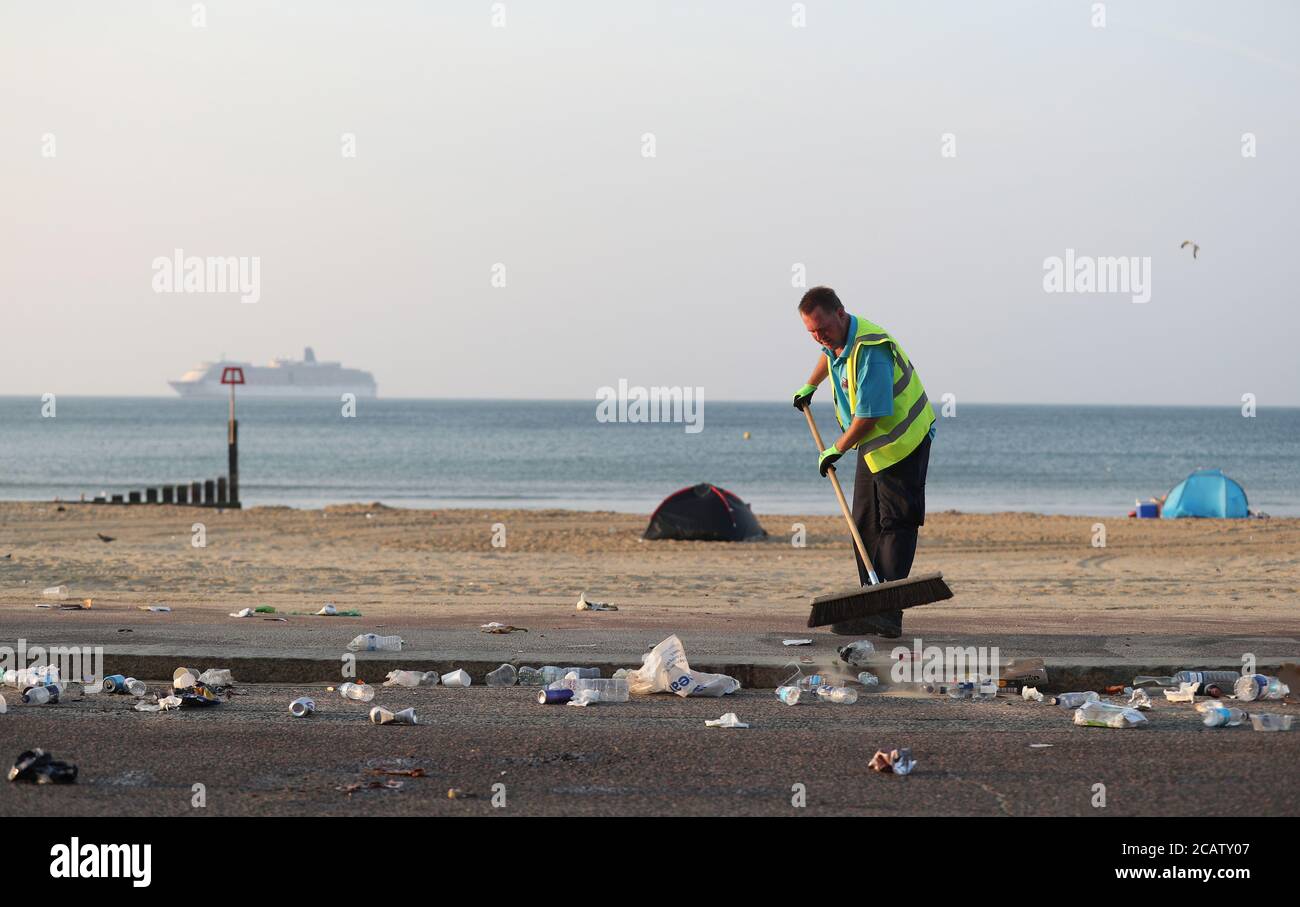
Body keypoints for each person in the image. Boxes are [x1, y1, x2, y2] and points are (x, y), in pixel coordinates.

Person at [792, 286, 936, 637]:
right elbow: (830, 353)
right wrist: (810, 385)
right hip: (872, 446)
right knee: (864, 524)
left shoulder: (871, 350)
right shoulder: (836, 340)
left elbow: (870, 415)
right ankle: (870, 602)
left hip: (903, 442)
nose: (818, 337)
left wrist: (835, 449)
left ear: (841, 313)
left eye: (822, 328)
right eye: (811, 331)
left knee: (896, 524)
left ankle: (887, 611)